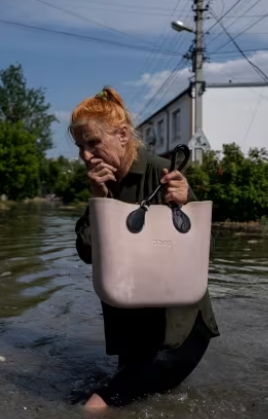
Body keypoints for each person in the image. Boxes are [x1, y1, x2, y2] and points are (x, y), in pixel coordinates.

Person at [70, 86, 220, 410]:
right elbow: (87, 253)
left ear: (122, 135)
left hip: (177, 330)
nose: (85, 155)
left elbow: (202, 252)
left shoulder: (160, 171)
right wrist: (98, 199)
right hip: (133, 330)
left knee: (95, 406)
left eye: (93, 143)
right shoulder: (103, 183)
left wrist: (186, 200)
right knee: (122, 399)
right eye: (80, 146)